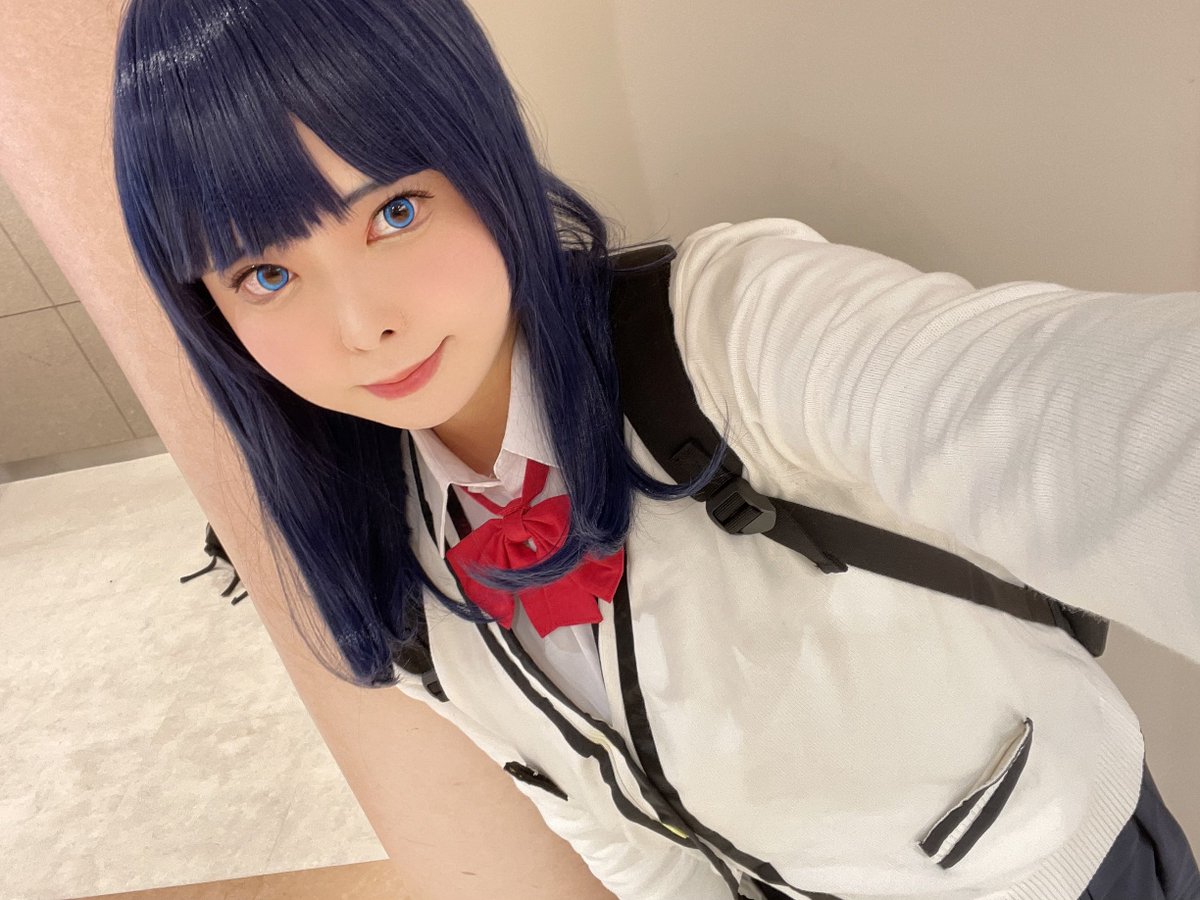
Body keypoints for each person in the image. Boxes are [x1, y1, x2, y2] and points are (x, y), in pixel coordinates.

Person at [109, 0, 1200, 897]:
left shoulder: (728, 336)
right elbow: (613, 820)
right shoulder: (387, 547)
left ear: (482, 154)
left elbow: (1084, 423)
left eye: (395, 212)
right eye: (266, 274)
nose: (362, 328)